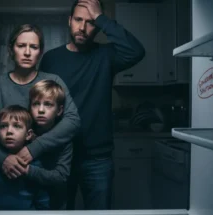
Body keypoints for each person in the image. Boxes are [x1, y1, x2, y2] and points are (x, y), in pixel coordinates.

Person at [39, 0, 146, 210]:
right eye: (78, 20)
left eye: (90, 22)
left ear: (98, 27)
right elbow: (40, 104)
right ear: (69, 21)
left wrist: (102, 18)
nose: (82, 27)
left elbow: (136, 51)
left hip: (97, 158)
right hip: (59, 155)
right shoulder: (51, 59)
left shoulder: (106, 56)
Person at [0, 24, 80, 208]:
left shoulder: (53, 81)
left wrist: (34, 149)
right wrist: (3, 159)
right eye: (21, 46)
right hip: (7, 179)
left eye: (33, 47)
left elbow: (73, 121)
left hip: (47, 174)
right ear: (10, 49)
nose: (27, 52)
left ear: (40, 52)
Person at [0, 105, 49, 210]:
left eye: (17, 126)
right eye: (3, 126)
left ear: (28, 134)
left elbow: (43, 201)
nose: (9, 131)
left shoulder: (36, 164)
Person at [28, 79, 72, 209]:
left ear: (59, 110)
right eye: (36, 104)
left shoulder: (64, 139)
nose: (41, 110)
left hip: (56, 202)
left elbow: (61, 177)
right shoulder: (25, 133)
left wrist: (27, 171)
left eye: (48, 104)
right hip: (29, 201)